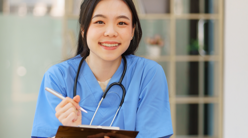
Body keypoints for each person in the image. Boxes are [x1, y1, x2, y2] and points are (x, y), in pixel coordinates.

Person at [31, 0, 173, 138]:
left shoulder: (149, 75)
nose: (110, 32)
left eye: (122, 23)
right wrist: (69, 134)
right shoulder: (58, 77)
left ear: (132, 30)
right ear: (83, 29)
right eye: (99, 22)